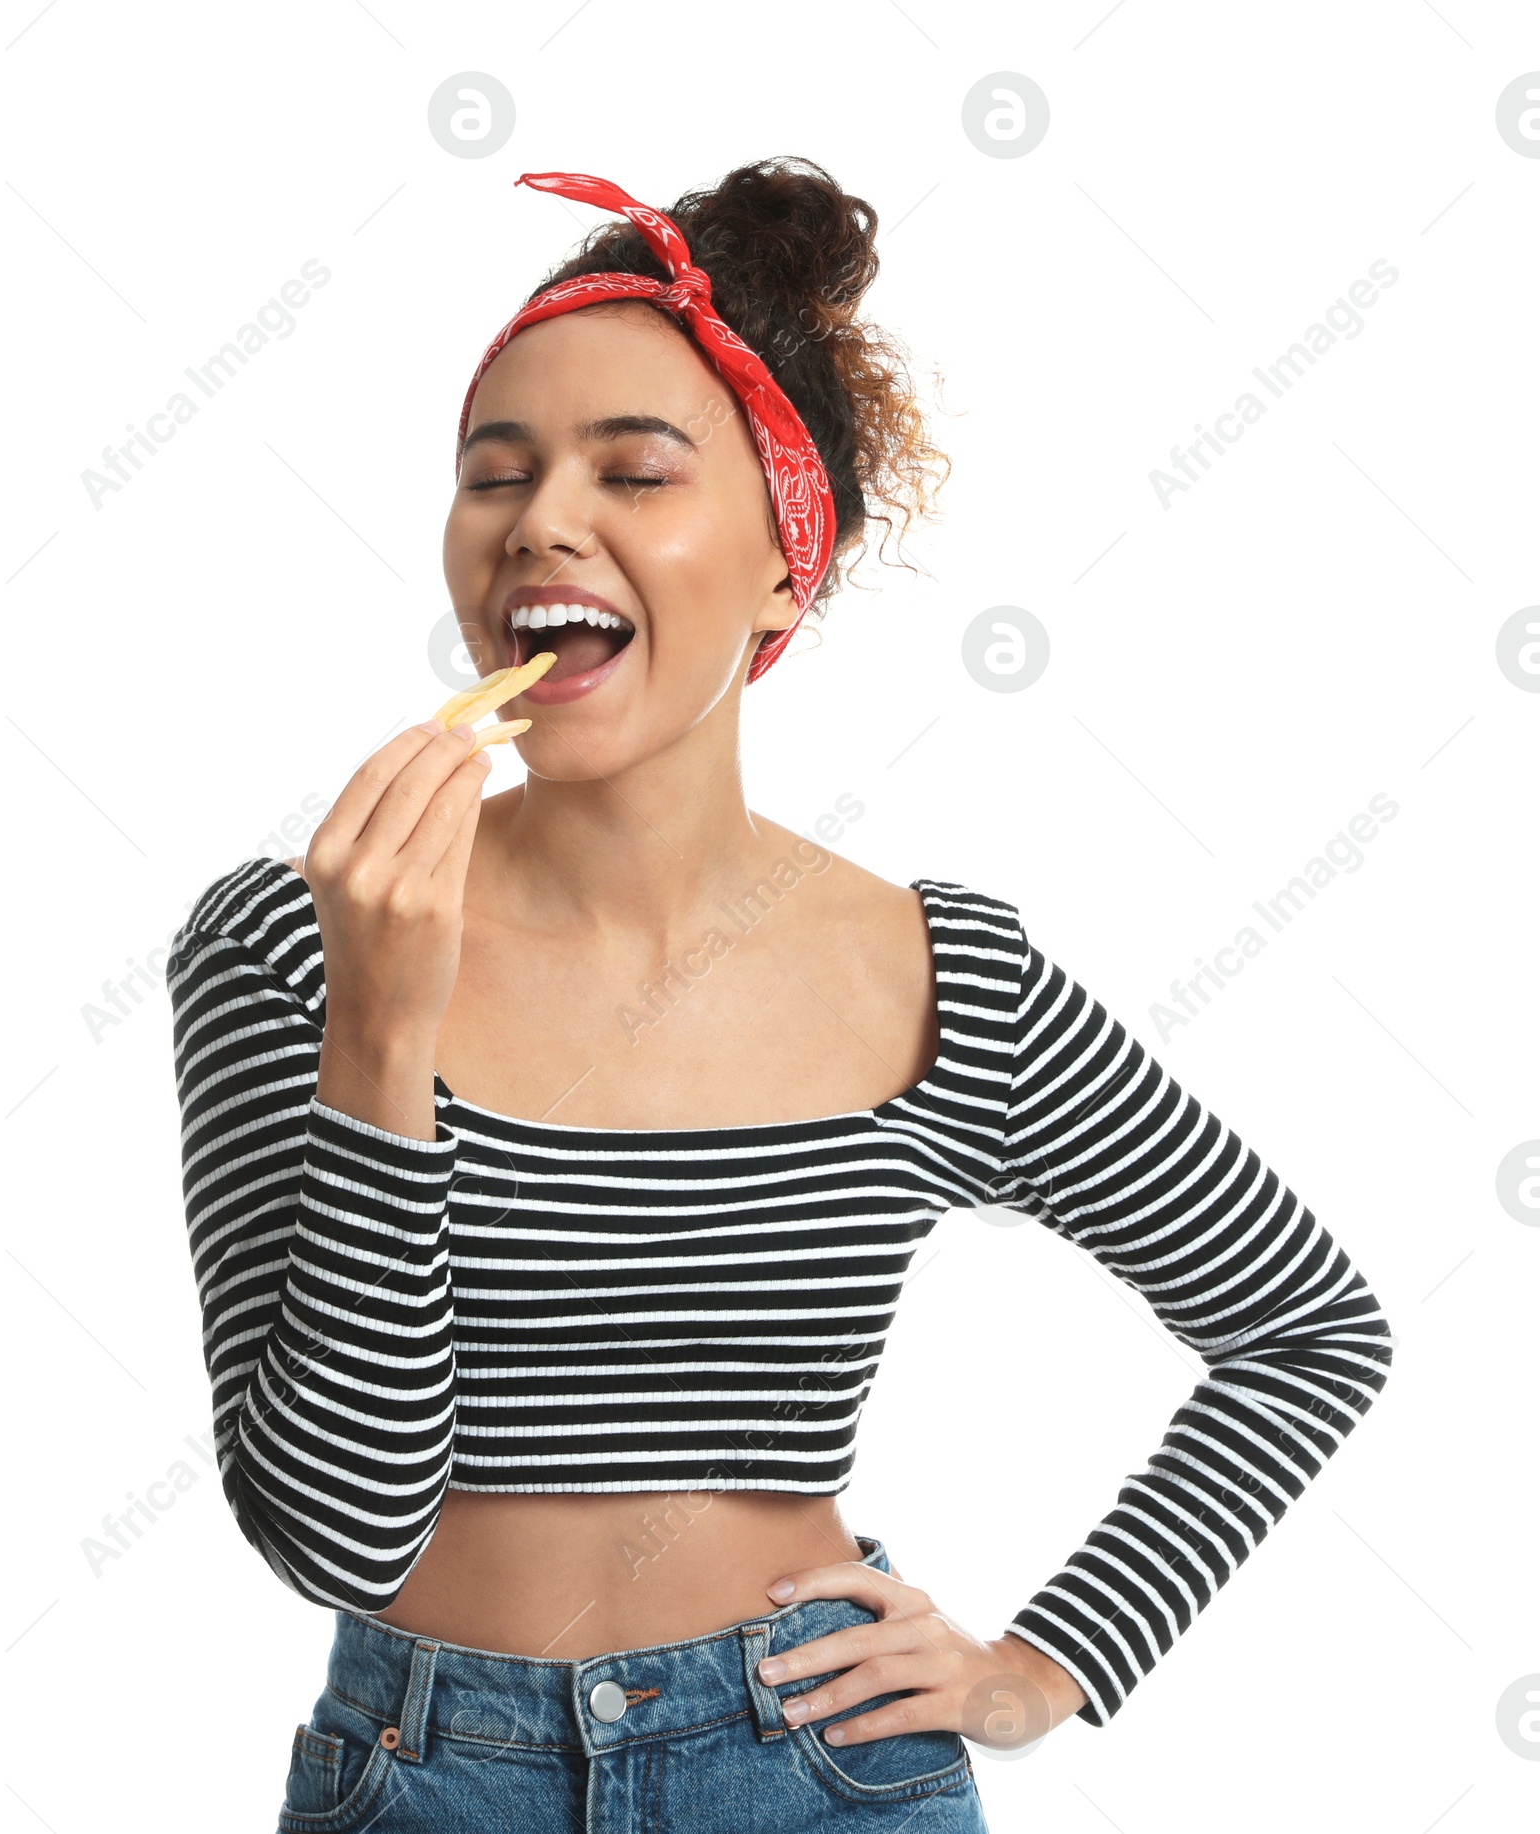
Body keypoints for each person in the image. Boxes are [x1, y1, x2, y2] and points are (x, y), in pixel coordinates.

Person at [165, 159, 1394, 1832]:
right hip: (422, 1773)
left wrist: (1046, 1662)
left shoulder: (946, 977)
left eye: (634, 469)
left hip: (817, 1768)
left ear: (783, 571)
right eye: (493, 474)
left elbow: (1308, 1328)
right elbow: (337, 1532)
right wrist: (382, 1030)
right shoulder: (293, 945)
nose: (539, 519)